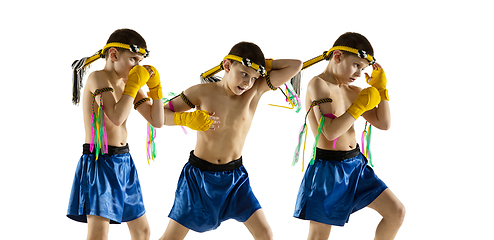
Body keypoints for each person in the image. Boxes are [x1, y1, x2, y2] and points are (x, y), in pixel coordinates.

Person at [158, 42, 302, 240]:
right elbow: (160, 115)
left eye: (253, 77)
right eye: (243, 73)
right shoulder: (201, 92)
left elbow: (296, 65)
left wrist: (263, 66)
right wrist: (186, 119)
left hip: (236, 179)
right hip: (198, 178)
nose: (247, 83)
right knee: (171, 237)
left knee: (265, 234)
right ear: (226, 66)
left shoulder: (255, 91)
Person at [293, 32, 405, 240]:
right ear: (337, 57)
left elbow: (384, 123)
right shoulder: (318, 85)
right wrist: (360, 105)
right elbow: (330, 131)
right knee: (319, 236)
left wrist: (381, 91)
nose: (359, 73)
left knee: (396, 212)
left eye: (363, 68)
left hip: (356, 165)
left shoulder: (353, 91)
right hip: (328, 171)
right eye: (356, 65)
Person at [67, 28, 164, 240]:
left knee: (142, 231)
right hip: (100, 161)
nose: (137, 67)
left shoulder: (128, 84)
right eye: (133, 59)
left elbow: (156, 121)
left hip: (124, 162)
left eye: (139, 61)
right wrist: (135, 85)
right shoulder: (98, 78)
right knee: (99, 233)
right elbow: (116, 116)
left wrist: (156, 91)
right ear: (113, 54)